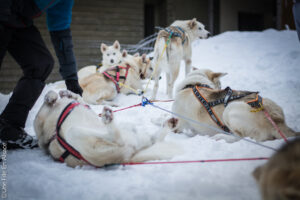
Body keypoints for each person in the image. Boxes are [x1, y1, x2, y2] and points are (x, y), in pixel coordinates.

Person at [0, 0, 82, 149]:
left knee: (40, 64)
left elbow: (61, 35)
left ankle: (9, 127)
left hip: (18, 21)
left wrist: (71, 78)